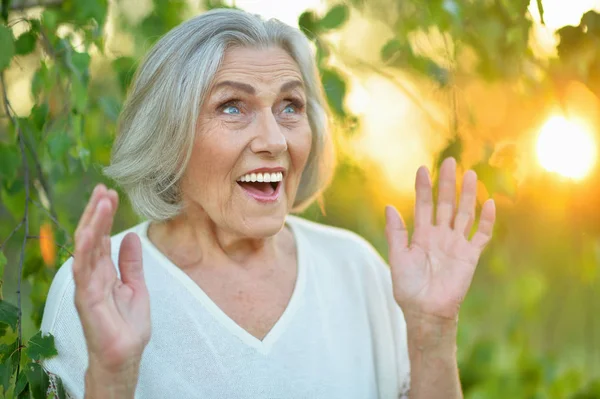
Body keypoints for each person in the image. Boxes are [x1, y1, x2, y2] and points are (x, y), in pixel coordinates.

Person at [40, 7, 496, 399]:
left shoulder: (355, 268)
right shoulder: (102, 287)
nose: (275, 140)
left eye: (290, 106)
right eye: (233, 107)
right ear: (169, 134)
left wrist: (432, 331)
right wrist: (113, 377)